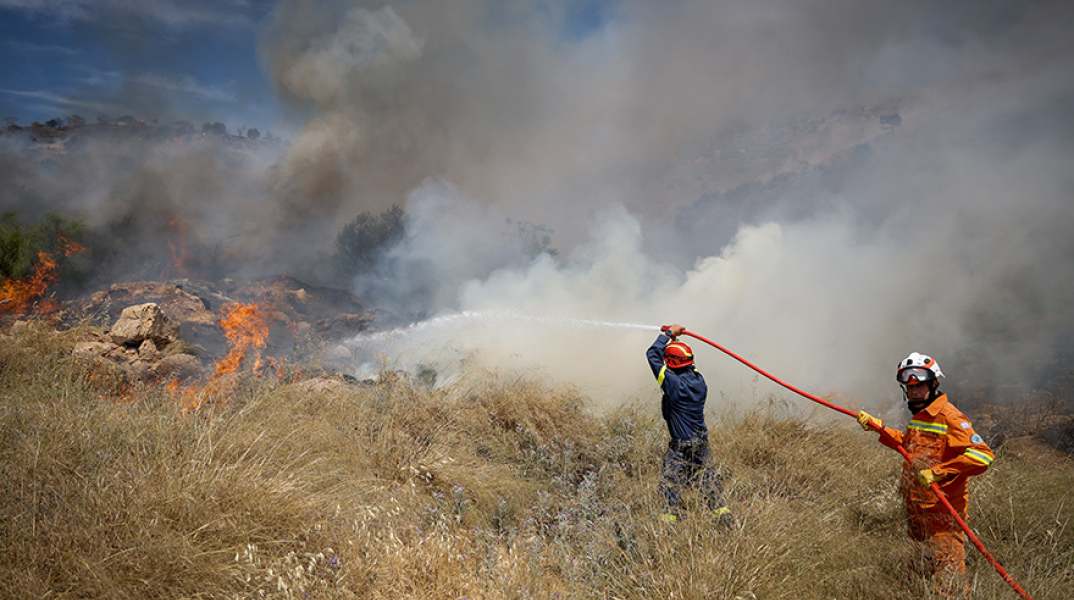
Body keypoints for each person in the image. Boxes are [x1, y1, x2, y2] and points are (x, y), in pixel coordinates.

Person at [857, 352, 994, 599]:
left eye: (919, 385)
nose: (914, 392)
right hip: (917, 513)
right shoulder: (920, 418)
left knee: (948, 585)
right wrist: (879, 428)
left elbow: (983, 456)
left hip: (943, 518)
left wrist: (938, 473)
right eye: (909, 387)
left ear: (934, 384)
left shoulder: (950, 417)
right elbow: (906, 445)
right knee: (918, 576)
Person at [646, 323, 732, 524]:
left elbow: (652, 355)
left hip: (681, 447)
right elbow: (684, 365)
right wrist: (676, 343)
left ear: (672, 365)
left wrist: (667, 335)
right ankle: (725, 521)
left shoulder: (673, 385)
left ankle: (668, 527)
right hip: (702, 444)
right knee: (708, 483)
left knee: (670, 485)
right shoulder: (699, 381)